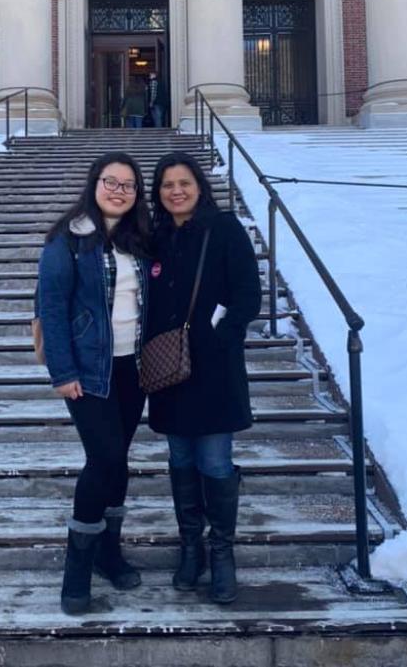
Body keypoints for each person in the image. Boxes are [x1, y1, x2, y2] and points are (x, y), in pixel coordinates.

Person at [37, 152, 151, 615]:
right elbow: (52, 308)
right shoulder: (69, 239)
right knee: (103, 460)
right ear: (94, 183)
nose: (119, 190)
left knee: (118, 461)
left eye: (128, 185)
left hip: (134, 368)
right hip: (89, 371)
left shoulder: (140, 239)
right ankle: (77, 568)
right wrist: (62, 373)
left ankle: (109, 552)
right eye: (111, 182)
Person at [146, 152, 261, 604]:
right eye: (167, 185)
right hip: (168, 369)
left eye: (184, 183)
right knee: (179, 458)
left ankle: (222, 552)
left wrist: (221, 338)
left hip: (213, 369)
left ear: (199, 186)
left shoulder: (224, 228)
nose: (176, 191)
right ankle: (190, 547)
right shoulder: (154, 238)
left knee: (214, 461)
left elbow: (248, 294)